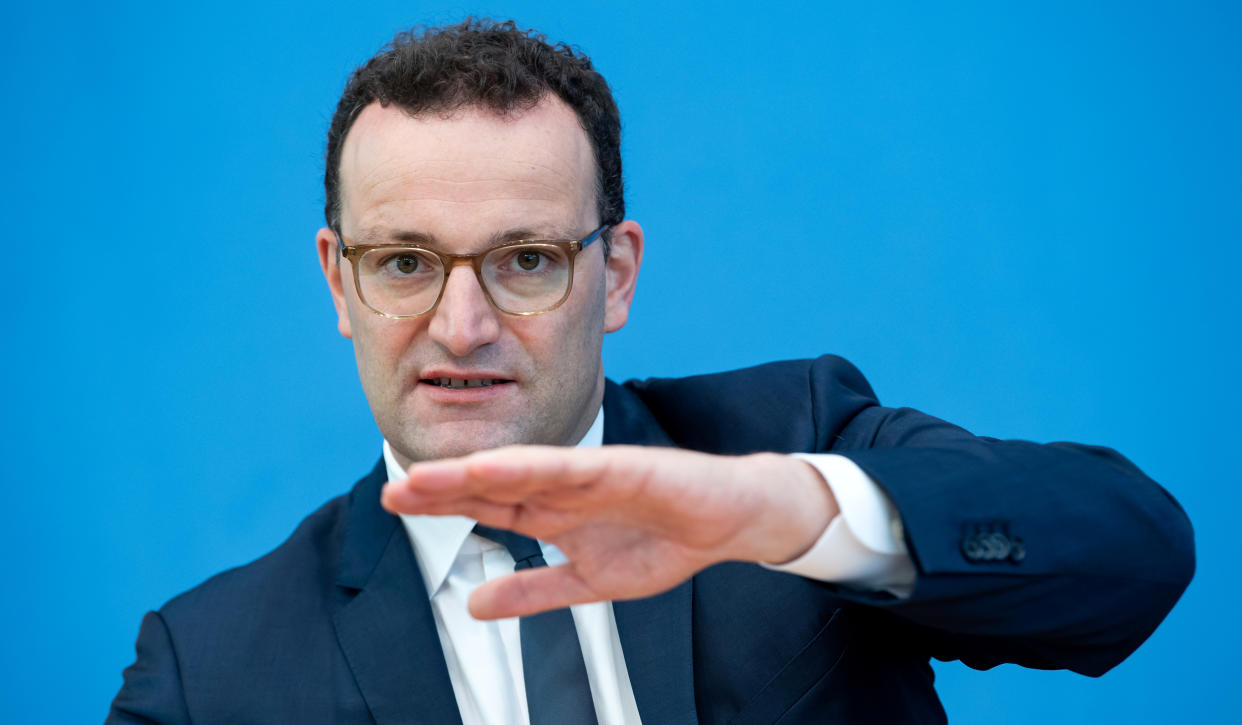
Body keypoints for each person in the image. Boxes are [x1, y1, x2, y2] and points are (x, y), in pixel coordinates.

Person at [108, 18, 1194, 724]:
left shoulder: (793, 439)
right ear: (339, 284)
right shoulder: (210, 671)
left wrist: (784, 512)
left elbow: (1132, 551)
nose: (464, 322)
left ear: (615, 274)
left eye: (526, 259)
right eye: (404, 263)